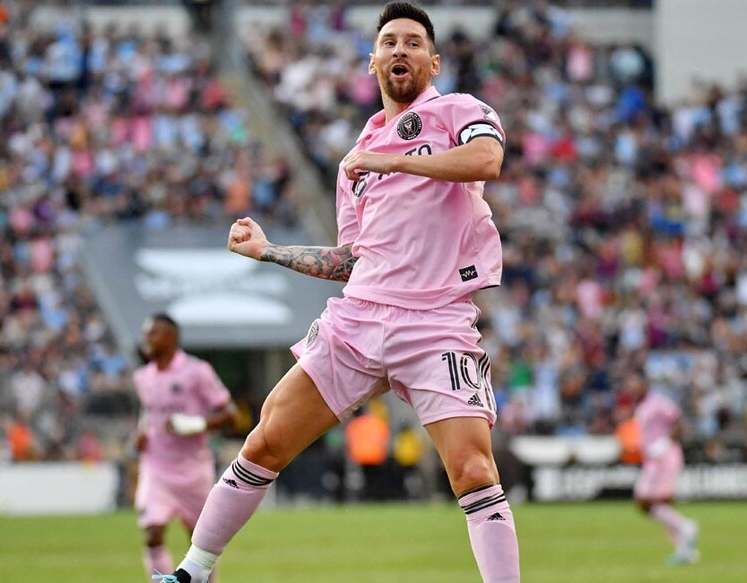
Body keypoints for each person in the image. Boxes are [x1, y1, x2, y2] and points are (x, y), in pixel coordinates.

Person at [157, 3, 519, 582]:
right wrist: (268, 251)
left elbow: (488, 159)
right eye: (389, 42)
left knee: (474, 469)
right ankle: (193, 571)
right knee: (266, 440)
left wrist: (389, 161)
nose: (401, 50)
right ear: (372, 61)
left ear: (434, 60)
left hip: (436, 321)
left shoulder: (458, 111)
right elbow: (351, 259)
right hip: (359, 318)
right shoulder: (357, 157)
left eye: (413, 42)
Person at [134, 313, 242, 582]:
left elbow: (231, 414)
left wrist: (194, 424)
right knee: (152, 532)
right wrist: (140, 433)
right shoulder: (143, 377)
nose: (146, 339)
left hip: (193, 470)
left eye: (153, 333)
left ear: (171, 338)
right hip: (156, 467)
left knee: (200, 542)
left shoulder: (196, 371)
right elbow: (149, 412)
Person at [630, 375, 700, 565]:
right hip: (652, 460)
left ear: (644, 384)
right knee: (659, 505)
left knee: (644, 500)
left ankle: (686, 526)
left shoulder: (658, 402)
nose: (632, 387)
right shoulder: (641, 406)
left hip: (663, 458)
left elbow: (678, 420)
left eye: (635, 382)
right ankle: (685, 551)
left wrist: (666, 442)